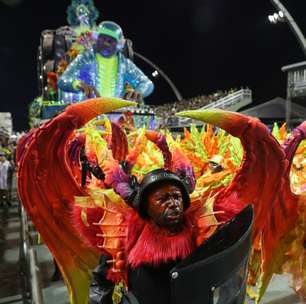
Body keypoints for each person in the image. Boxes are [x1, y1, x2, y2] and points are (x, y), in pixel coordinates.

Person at [58, 21, 154, 101]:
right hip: (88, 115)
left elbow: (147, 83)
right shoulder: (85, 58)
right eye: (103, 38)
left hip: (114, 114)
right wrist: (79, 84)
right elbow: (62, 81)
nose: (105, 43)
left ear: (118, 44)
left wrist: (139, 91)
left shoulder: (124, 64)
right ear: (96, 39)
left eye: (111, 41)